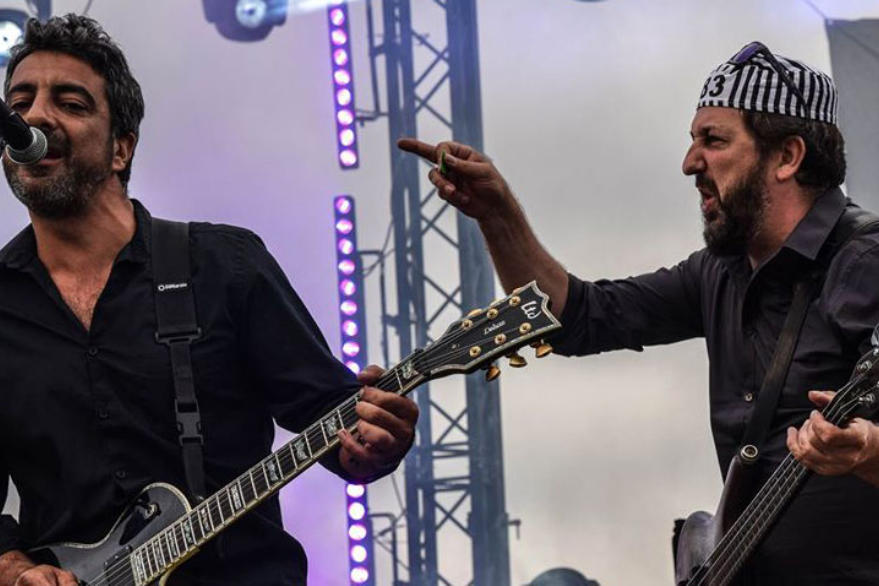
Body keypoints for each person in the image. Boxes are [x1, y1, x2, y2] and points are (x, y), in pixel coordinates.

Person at [400, 42, 879, 584]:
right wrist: (496, 213)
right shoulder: (719, 273)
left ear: (787, 157)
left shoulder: (863, 262)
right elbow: (577, 318)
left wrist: (867, 449)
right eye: (693, 141)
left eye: (713, 140)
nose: (689, 163)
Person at [0, 14, 417, 586]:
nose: (35, 116)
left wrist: (376, 443)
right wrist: (14, 567)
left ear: (121, 148)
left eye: (69, 103)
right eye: (20, 103)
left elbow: (338, 426)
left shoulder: (222, 266)